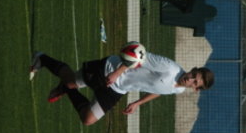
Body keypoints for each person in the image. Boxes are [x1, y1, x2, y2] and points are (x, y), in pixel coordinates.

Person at [29, 49, 214, 126]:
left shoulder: (179, 89)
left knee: (88, 119)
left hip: (118, 89)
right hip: (110, 70)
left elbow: (159, 91)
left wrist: (138, 103)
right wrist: (117, 73)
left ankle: (65, 88)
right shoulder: (170, 68)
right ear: (193, 69)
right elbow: (139, 56)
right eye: (194, 74)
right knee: (71, 81)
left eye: (194, 82)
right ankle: (42, 58)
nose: (190, 79)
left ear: (195, 89)